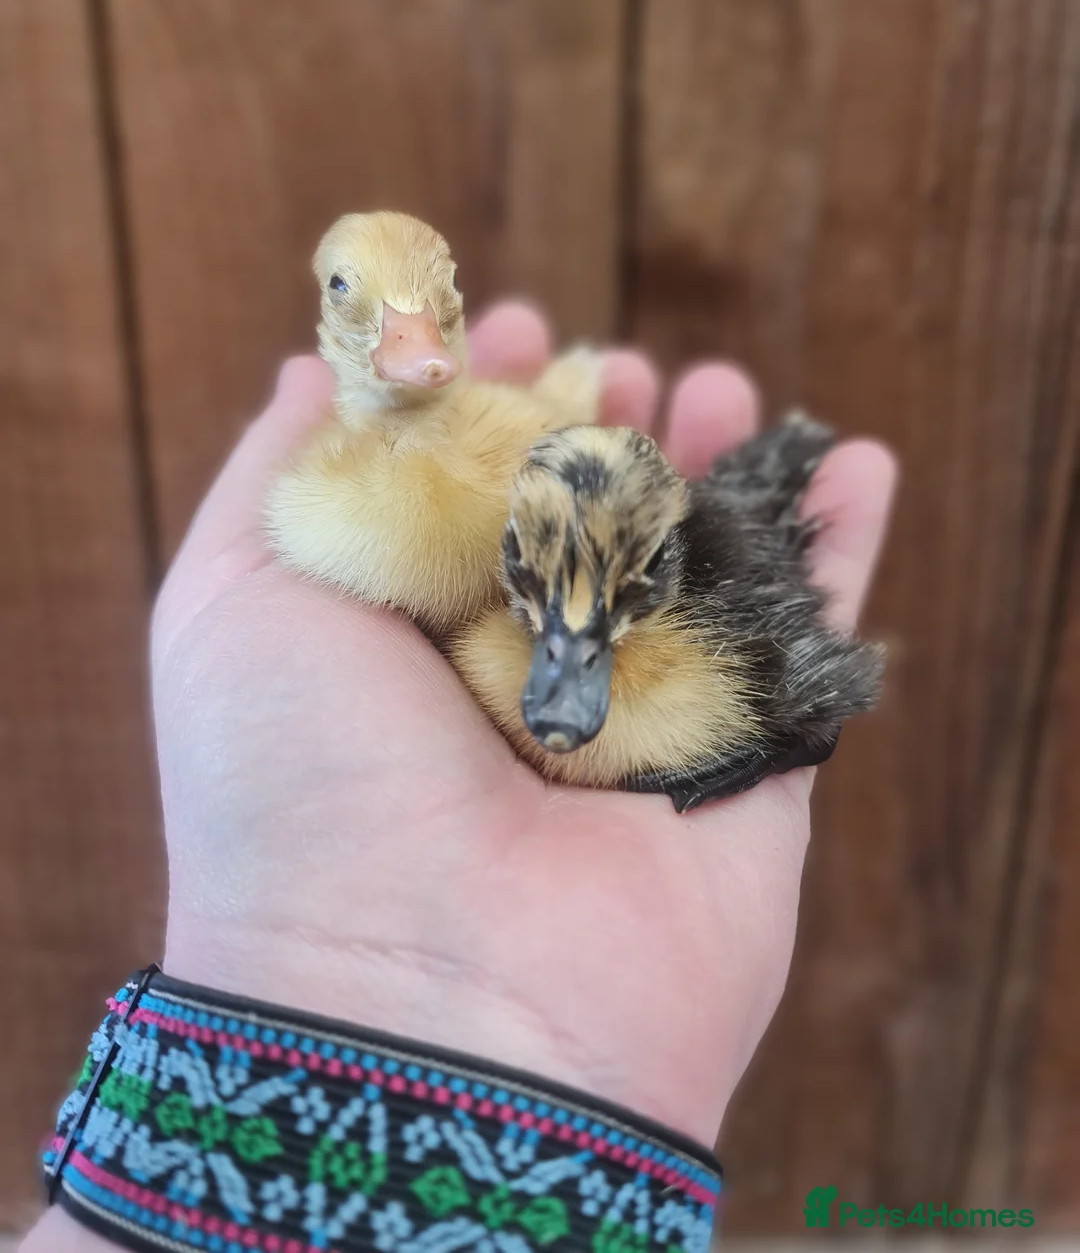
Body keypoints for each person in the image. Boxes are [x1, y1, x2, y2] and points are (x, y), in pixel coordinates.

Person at [24, 302, 895, 1253]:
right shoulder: (481, 610)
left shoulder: (706, 652)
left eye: (618, 596)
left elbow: (818, 688)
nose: (566, 690)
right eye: (537, 583)